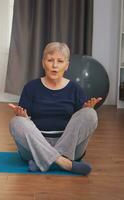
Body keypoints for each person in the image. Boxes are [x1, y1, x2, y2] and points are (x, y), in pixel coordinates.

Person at [8, 42, 101, 175]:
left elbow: (79, 124)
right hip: (36, 146)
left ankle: (45, 161)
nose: (55, 65)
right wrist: (23, 117)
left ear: (67, 65)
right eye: (50, 60)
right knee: (16, 122)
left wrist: (85, 110)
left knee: (90, 114)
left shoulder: (75, 89)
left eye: (60, 61)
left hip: (70, 147)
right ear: (43, 63)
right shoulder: (31, 87)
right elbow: (25, 122)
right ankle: (63, 162)